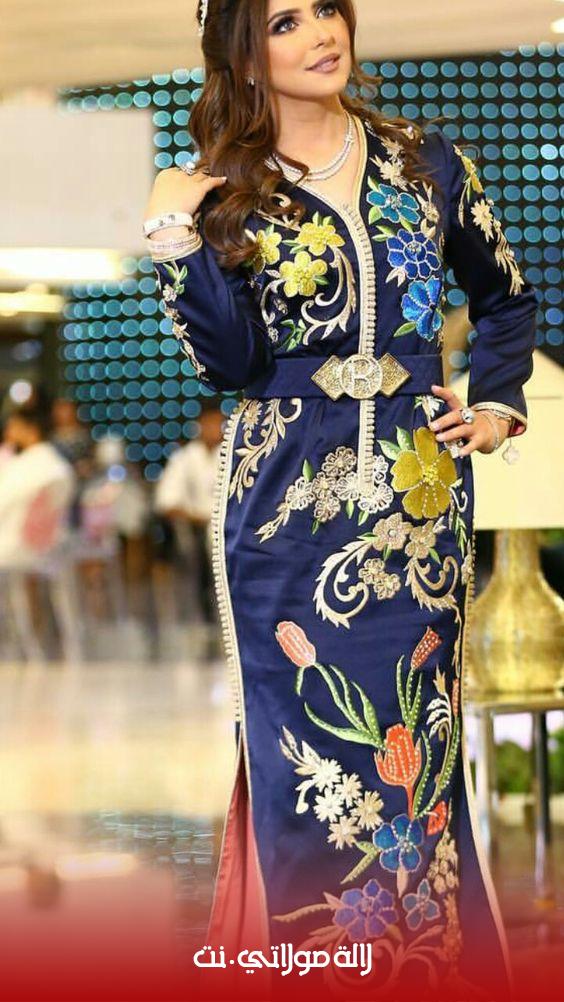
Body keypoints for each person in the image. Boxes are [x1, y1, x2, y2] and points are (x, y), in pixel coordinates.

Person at [143, 1, 539, 998]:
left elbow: (504, 299)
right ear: (242, 53)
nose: (321, 32)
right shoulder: (225, 189)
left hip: (418, 500)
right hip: (287, 502)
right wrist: (173, 233)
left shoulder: (426, 163)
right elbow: (230, 363)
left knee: (420, 748)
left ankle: (427, 971)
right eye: (284, 21)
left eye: (327, 8)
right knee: (303, 757)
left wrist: (496, 405)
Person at [154, 399, 224, 626]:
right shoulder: (183, 459)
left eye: (218, 423)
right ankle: (205, 619)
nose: (214, 429)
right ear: (200, 424)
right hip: (198, 530)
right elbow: (167, 502)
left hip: (231, 527)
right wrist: (200, 518)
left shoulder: (233, 454)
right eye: (210, 423)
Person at [0, 407, 75, 566]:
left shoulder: (25, 466)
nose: (8, 432)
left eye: (14, 427)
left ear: (32, 430)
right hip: (50, 545)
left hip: (15, 545)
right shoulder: (58, 464)